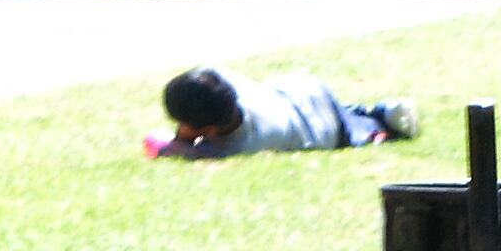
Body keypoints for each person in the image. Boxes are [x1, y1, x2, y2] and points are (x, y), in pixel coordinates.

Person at [148, 68, 419, 159]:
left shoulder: (241, 146)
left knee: (362, 131)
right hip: (300, 90)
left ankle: (385, 120)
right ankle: (370, 112)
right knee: (350, 111)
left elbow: (170, 148)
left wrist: (175, 144)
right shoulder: (223, 85)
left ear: (208, 129)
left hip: (324, 128)